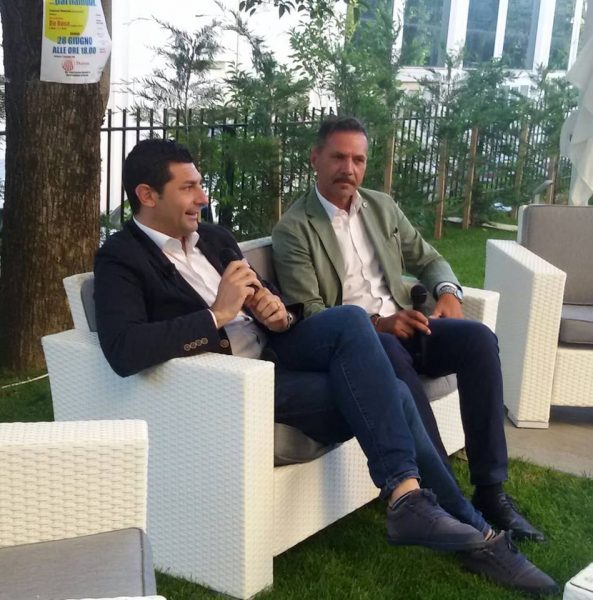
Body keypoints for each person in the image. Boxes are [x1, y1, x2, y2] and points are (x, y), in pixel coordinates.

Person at [94, 138, 557, 596]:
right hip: (238, 382)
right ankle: (472, 533)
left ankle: (415, 499)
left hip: (277, 348)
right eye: (188, 188)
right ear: (147, 194)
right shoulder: (121, 258)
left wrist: (276, 311)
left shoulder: (213, 239)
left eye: (200, 185)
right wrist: (215, 315)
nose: (202, 197)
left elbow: (277, 301)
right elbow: (123, 350)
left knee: (351, 319)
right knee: (394, 393)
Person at [272, 115, 544, 543]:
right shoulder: (294, 228)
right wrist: (379, 324)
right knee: (389, 353)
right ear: (315, 158)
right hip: (360, 342)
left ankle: (491, 490)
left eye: (358, 160)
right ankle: (443, 498)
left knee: (478, 340)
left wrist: (448, 293)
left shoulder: (381, 207)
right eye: (339, 157)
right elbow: (312, 312)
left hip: (408, 320)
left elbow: (429, 259)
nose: (349, 169)